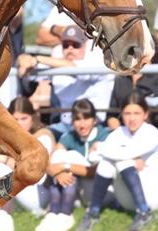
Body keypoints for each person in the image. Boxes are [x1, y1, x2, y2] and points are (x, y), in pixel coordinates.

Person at [77, 93, 158, 231]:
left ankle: (145, 212)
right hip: (128, 200)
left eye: (137, 113)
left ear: (145, 114)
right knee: (107, 163)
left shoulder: (152, 133)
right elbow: (92, 157)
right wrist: (126, 157)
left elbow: (125, 153)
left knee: (123, 160)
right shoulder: (118, 133)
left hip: (157, 196)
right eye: (127, 113)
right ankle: (93, 212)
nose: (132, 118)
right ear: (121, 114)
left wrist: (100, 146)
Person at [18, 26, 115, 134]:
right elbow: (31, 73)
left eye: (75, 45)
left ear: (84, 46)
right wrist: (23, 59)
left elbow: (72, 67)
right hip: (66, 126)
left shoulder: (94, 62)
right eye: (65, 45)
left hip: (95, 126)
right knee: (42, 138)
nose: (70, 49)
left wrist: (37, 58)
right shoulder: (56, 65)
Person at [38, 99, 108, 231]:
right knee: (58, 155)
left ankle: (65, 213)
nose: (82, 124)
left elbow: (94, 171)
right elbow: (50, 163)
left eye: (86, 118)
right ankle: (54, 213)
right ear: (72, 122)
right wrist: (59, 172)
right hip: (78, 188)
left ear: (95, 120)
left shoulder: (103, 134)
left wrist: (65, 166)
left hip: (99, 191)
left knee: (70, 156)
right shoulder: (69, 135)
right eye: (77, 119)